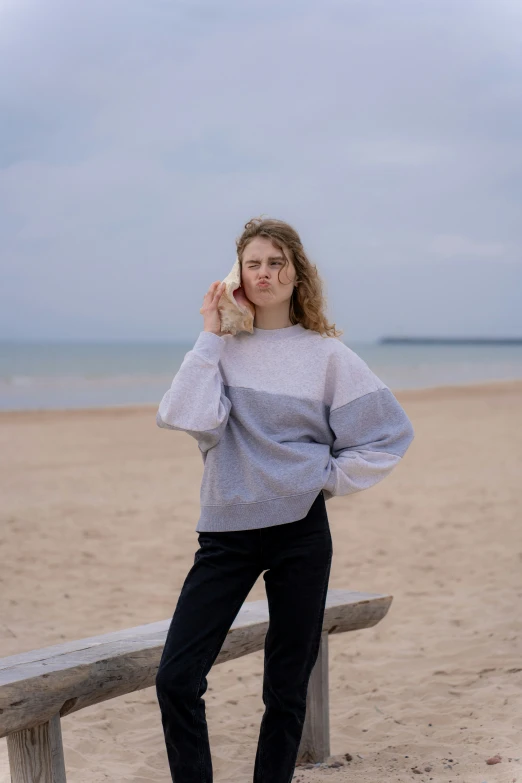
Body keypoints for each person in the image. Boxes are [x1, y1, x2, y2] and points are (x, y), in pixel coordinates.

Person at [154, 217, 415, 782]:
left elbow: (389, 433)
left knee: (285, 687)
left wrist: (325, 477)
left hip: (300, 531)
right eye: (253, 263)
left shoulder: (326, 356)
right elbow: (182, 415)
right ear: (237, 276)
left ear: (297, 275)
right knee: (176, 678)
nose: (265, 273)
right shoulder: (218, 351)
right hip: (226, 531)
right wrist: (210, 331)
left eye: (277, 263)